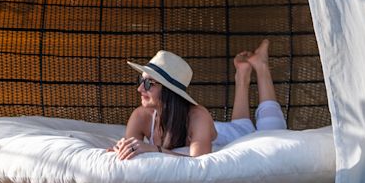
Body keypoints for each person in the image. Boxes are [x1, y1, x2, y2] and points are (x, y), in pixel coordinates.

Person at [113, 40, 287, 160]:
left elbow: (198, 163)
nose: (140, 89)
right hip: (229, 129)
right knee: (241, 125)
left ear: (170, 91)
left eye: (149, 83)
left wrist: (155, 149)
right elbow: (129, 151)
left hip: (239, 136)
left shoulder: (197, 116)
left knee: (275, 132)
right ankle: (242, 74)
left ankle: (261, 66)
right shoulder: (140, 116)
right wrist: (119, 149)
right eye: (141, 81)